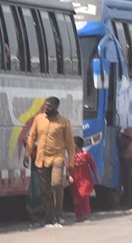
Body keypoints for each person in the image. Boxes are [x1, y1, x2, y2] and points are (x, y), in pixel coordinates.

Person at [26, 96, 76, 227]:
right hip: (41, 158)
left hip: (57, 158)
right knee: (45, 189)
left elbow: (70, 144)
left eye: (49, 106)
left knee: (56, 184)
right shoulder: (39, 119)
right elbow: (32, 137)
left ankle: (58, 213)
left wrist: (71, 163)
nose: (46, 108)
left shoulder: (64, 122)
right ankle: (49, 216)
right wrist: (27, 154)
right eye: (45, 105)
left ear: (56, 107)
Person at [69, 136, 100, 222]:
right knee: (76, 197)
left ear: (76, 145)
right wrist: (69, 176)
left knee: (83, 195)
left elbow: (93, 166)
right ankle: (79, 215)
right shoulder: (71, 156)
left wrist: (97, 176)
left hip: (85, 180)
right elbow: (68, 167)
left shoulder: (86, 155)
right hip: (75, 181)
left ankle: (86, 213)